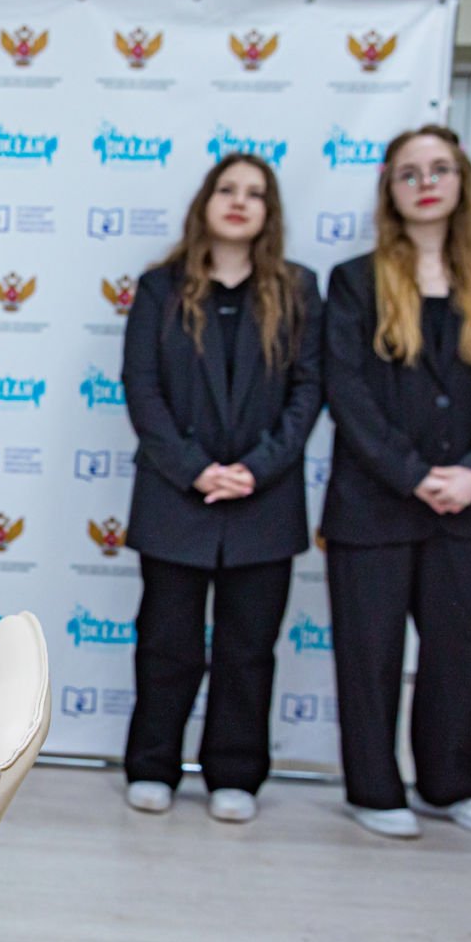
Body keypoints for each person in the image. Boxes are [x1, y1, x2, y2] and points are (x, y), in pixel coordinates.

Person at [323, 125, 471, 840]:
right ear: (391, 190)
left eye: (440, 169)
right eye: (410, 172)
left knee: (462, 651)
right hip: (373, 504)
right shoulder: (355, 280)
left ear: (462, 181)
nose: (426, 183)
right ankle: (374, 790)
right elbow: (347, 392)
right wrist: (413, 474)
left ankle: (450, 784)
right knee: (370, 656)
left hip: (462, 509)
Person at [119, 154, 323, 823]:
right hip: (176, 497)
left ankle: (235, 773)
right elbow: (142, 388)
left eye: (255, 193)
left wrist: (256, 468)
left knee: (248, 649)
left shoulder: (298, 289)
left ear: (269, 211)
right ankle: (153, 765)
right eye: (227, 189)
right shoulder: (160, 288)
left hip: (266, 501)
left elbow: (308, 392)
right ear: (205, 201)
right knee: (167, 644)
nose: (240, 201)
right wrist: (195, 469)